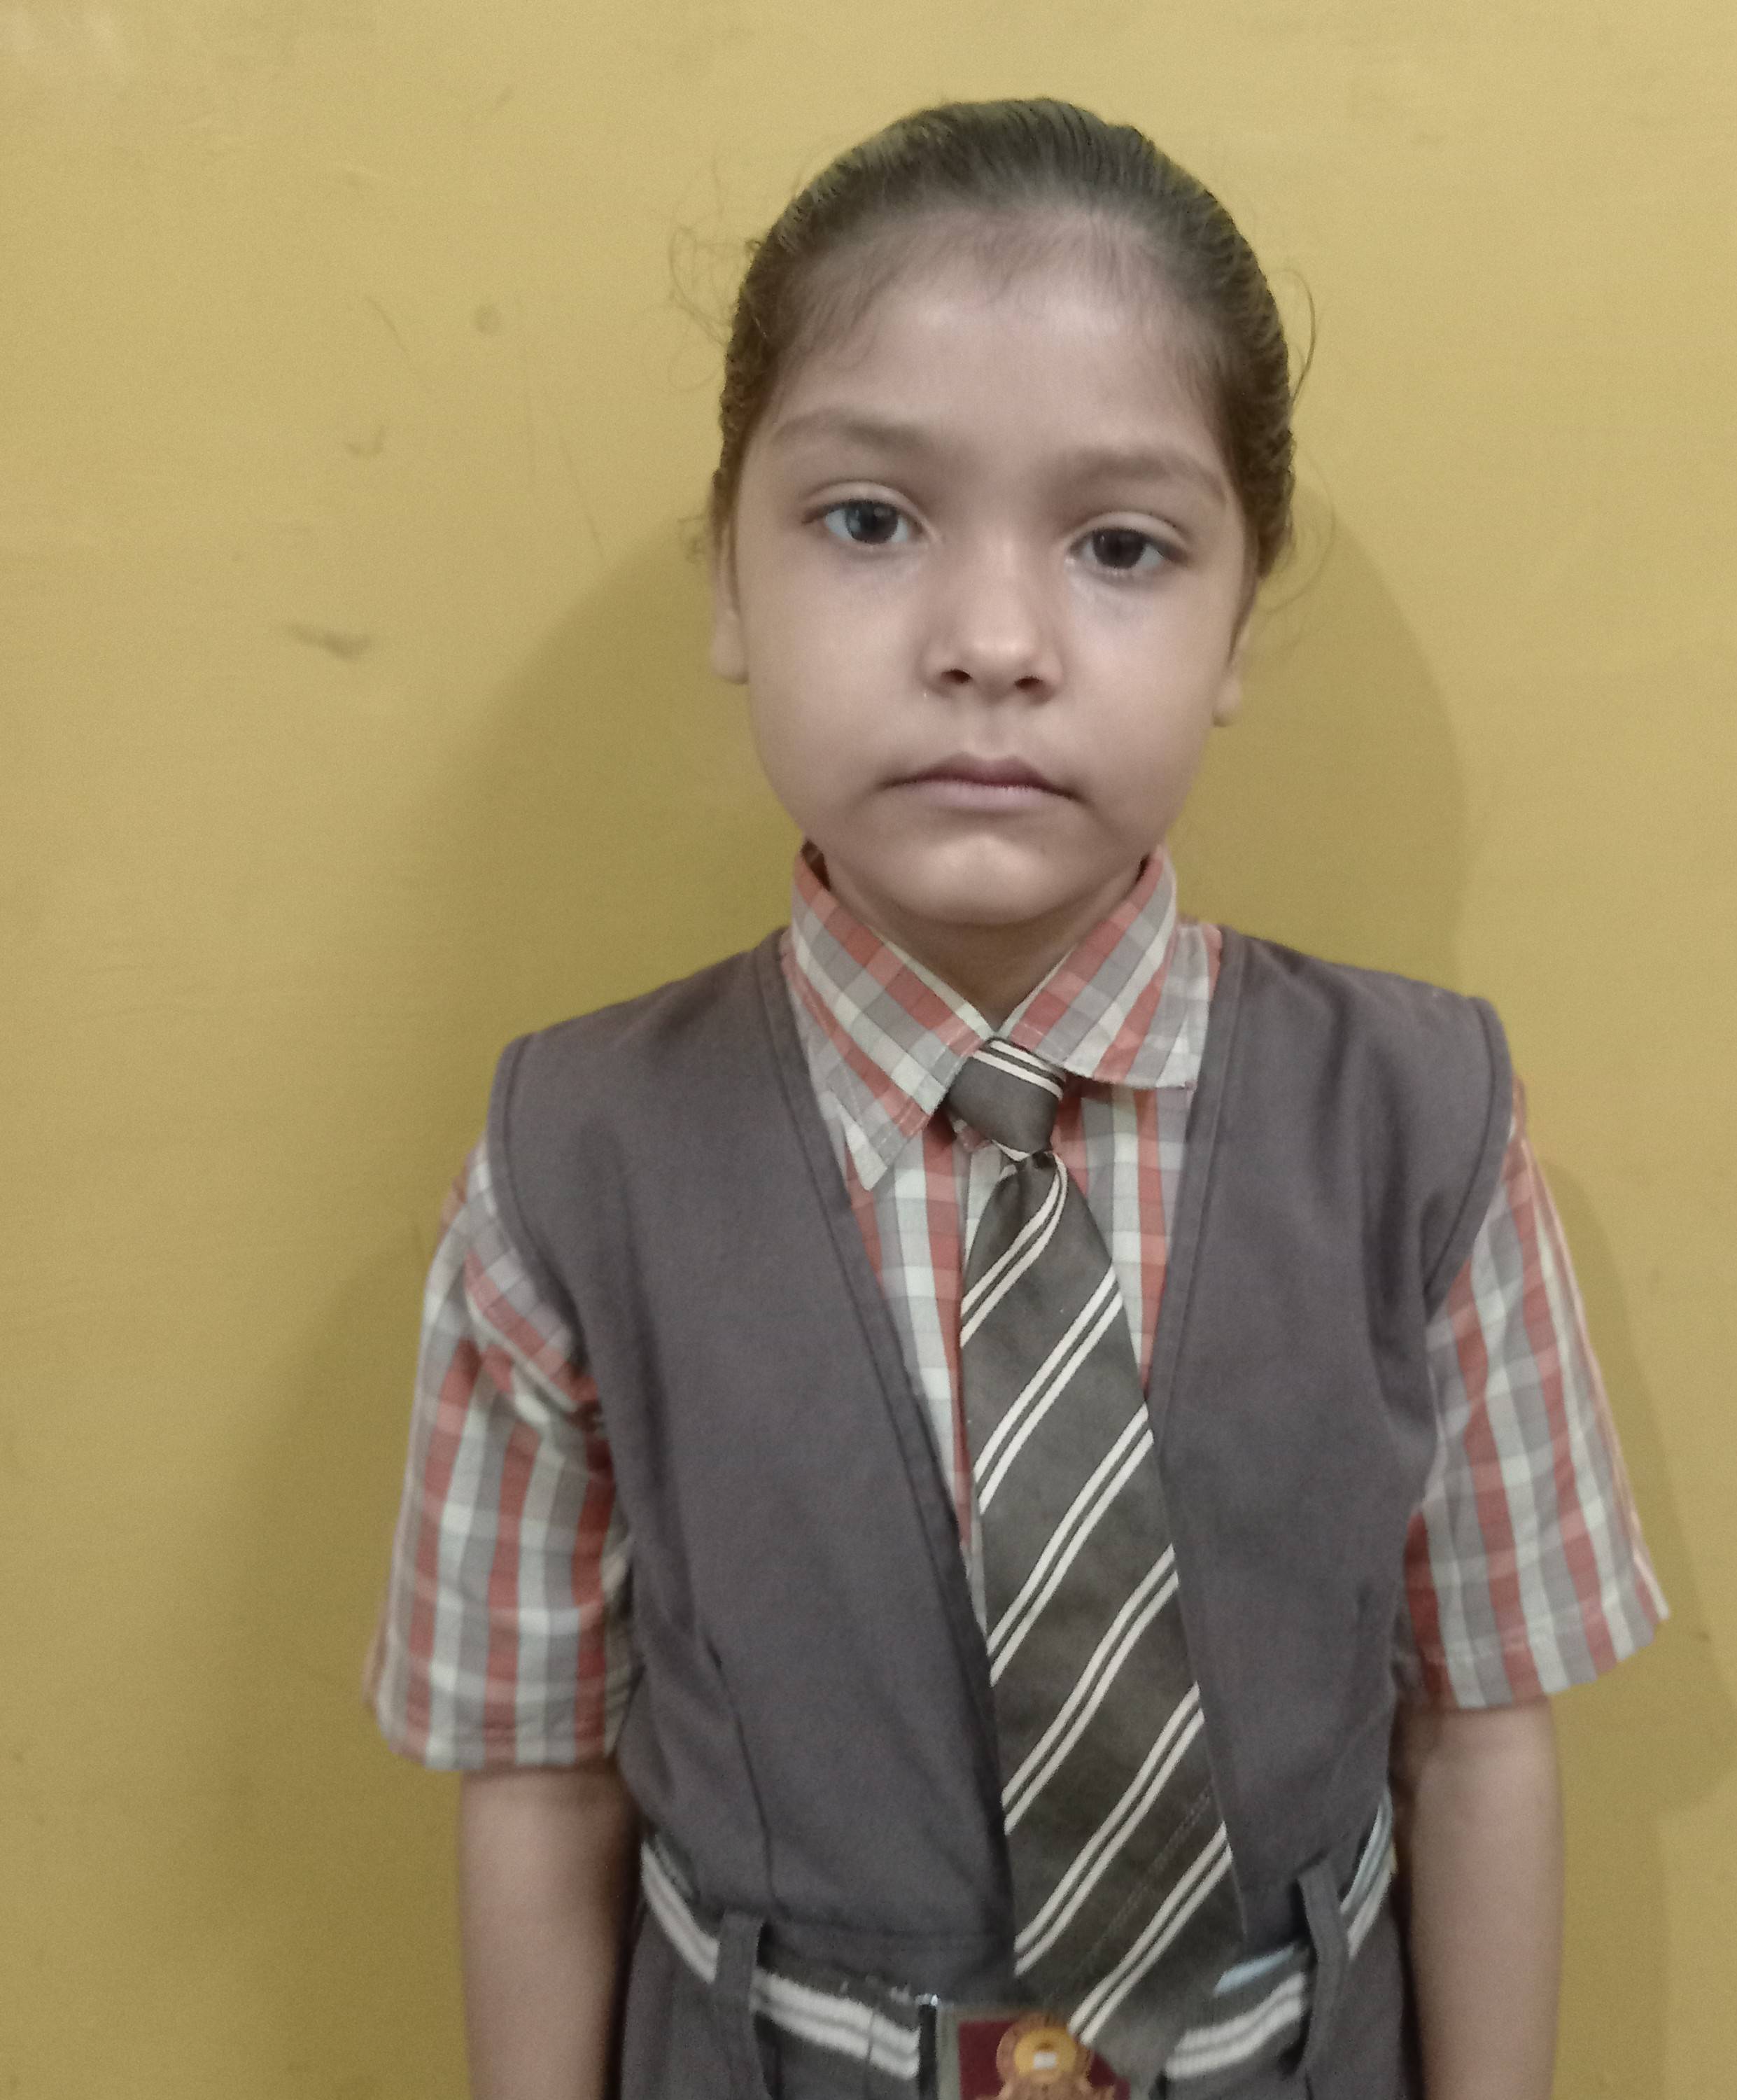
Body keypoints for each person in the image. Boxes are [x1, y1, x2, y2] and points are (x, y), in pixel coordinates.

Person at [367, 95, 1666, 2100]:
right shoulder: (571, 1175)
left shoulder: (1427, 1141)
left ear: (1239, 619)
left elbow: (1478, 1736)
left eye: (1121, 546)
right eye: (868, 521)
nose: (991, 644)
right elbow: (541, 1784)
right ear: (730, 579)